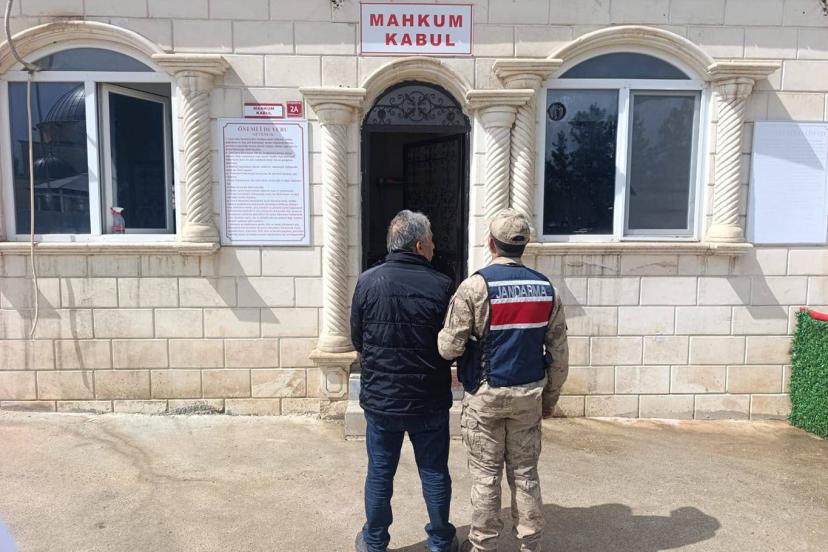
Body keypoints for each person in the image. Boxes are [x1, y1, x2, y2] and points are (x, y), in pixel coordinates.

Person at [438, 209, 569, 552]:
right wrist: (549, 400)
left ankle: (483, 546)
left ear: (491, 244)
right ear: (524, 245)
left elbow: (448, 348)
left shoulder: (474, 287)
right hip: (528, 397)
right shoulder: (546, 289)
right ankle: (530, 544)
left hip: (485, 397)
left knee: (486, 476)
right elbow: (559, 355)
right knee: (525, 474)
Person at [351, 210, 459, 552]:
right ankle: (440, 541)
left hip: (382, 400)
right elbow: (451, 344)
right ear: (418, 245)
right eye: (431, 240)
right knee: (434, 471)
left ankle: (374, 542)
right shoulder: (442, 285)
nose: (434, 246)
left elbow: (357, 339)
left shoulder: (367, 281)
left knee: (380, 472)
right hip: (429, 399)